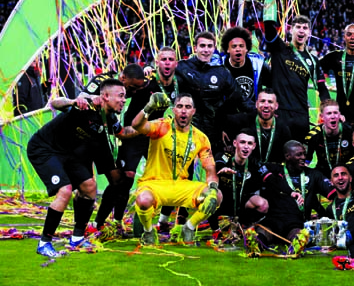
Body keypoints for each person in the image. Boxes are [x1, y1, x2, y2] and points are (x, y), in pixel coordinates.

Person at [27, 79, 136, 257]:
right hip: (44, 148)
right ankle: (44, 243)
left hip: (69, 153)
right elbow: (55, 103)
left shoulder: (110, 118)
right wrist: (73, 101)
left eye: (125, 96)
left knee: (90, 188)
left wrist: (149, 126)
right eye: (121, 96)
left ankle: (77, 238)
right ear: (105, 96)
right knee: (65, 190)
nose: (124, 100)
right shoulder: (85, 107)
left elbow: (122, 132)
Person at [94, 47, 179, 237]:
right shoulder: (145, 82)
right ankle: (105, 222)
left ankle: (163, 222)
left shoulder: (178, 85)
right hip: (133, 135)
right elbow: (122, 90)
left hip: (154, 136)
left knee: (171, 176)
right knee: (124, 180)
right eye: (163, 59)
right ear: (157, 62)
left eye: (170, 59)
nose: (167, 63)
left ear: (176, 63)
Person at [131, 92, 223, 245]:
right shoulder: (161, 126)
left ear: (193, 111)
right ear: (174, 110)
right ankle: (148, 231)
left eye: (188, 107)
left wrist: (212, 188)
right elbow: (137, 125)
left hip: (181, 187)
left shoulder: (200, 137)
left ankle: (189, 227)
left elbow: (210, 170)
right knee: (143, 200)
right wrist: (149, 107)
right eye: (180, 106)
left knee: (216, 196)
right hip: (155, 185)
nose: (183, 111)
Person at [260, 0, 330, 140]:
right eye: (298, 27)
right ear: (291, 30)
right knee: (276, 158)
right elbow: (269, 26)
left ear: (309, 33)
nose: (301, 30)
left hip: (301, 116)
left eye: (305, 28)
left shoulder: (313, 60)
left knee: (298, 159)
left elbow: (322, 88)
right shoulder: (279, 48)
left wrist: (328, 108)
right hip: (279, 113)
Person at [246, 140, 335, 256]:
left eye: (304, 154)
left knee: (298, 237)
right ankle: (256, 246)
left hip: (296, 221)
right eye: (299, 154)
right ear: (287, 156)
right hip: (273, 219)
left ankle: (295, 247)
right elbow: (254, 162)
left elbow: (336, 194)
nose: (303, 157)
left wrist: (325, 215)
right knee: (261, 235)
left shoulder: (314, 175)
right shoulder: (274, 170)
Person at [176, 31, 255, 148]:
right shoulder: (182, 67)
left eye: (209, 46)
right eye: (202, 46)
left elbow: (240, 98)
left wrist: (260, 109)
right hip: (187, 128)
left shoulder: (222, 72)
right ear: (195, 48)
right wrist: (148, 69)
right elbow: (162, 73)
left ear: (214, 48)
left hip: (213, 132)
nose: (206, 50)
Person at [209, 128, 268, 232]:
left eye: (249, 143)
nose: (246, 146)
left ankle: (243, 225)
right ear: (235, 143)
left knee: (262, 204)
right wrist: (222, 168)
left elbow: (270, 178)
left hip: (241, 206)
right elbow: (219, 163)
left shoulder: (255, 163)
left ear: (253, 146)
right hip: (221, 203)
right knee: (213, 194)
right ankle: (215, 229)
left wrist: (291, 192)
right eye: (242, 142)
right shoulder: (224, 156)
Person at [223, 88, 292, 164]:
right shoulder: (243, 121)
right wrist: (222, 130)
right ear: (256, 104)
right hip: (248, 170)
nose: (266, 105)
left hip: (272, 172)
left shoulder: (283, 128)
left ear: (276, 106)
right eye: (262, 101)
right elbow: (222, 118)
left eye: (270, 102)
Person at [305, 99, 354, 178]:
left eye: (335, 113)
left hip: (347, 173)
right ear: (322, 117)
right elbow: (306, 162)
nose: (333, 116)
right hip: (323, 175)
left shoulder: (350, 131)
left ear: (339, 115)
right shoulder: (313, 136)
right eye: (329, 113)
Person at [219, 26, 271, 101]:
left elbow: (274, 85)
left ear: (246, 49)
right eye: (234, 46)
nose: (238, 49)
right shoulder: (220, 65)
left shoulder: (258, 65)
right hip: (227, 112)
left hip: (252, 111)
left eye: (241, 46)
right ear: (227, 49)